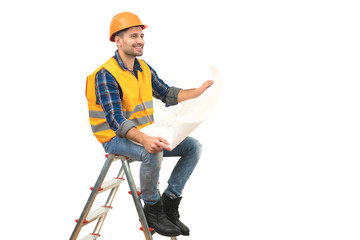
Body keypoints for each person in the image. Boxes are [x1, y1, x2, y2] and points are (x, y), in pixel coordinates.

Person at [86, 12, 213, 237]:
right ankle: (152, 209)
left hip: (143, 132)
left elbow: (166, 93)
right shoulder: (106, 75)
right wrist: (146, 140)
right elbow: (115, 120)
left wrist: (198, 91)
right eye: (133, 36)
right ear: (118, 40)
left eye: (142, 36)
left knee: (193, 147)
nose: (140, 41)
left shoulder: (143, 68)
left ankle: (170, 204)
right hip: (114, 138)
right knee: (151, 152)